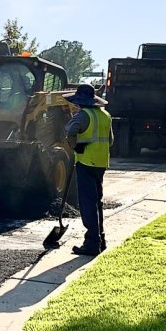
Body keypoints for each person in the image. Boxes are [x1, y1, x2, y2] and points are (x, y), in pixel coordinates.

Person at [61, 83, 113, 255]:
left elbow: (69, 130)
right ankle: (101, 239)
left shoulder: (83, 115)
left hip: (85, 162)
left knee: (87, 203)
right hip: (101, 163)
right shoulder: (106, 115)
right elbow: (110, 140)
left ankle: (91, 243)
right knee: (97, 202)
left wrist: (74, 145)